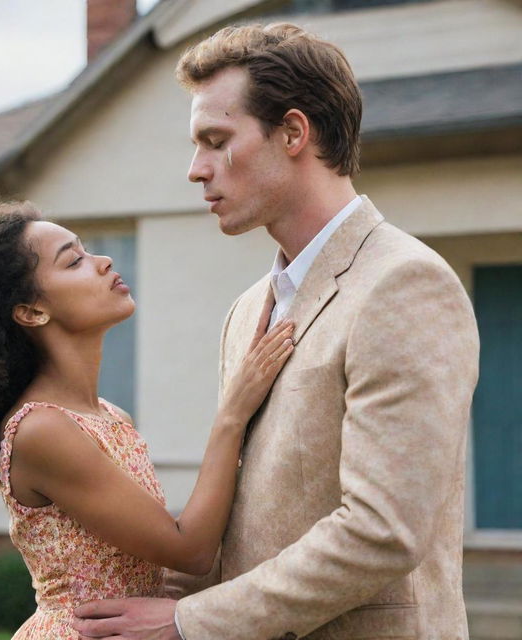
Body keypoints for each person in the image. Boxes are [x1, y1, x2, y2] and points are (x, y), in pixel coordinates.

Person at [72, 22, 480, 640]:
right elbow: (241, 525)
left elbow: (381, 531)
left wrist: (188, 622)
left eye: (216, 140)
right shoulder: (245, 312)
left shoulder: (404, 284)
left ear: (293, 132)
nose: (195, 170)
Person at [0, 201, 295, 639]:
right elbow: (189, 550)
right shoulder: (43, 430)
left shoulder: (111, 415)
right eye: (74, 261)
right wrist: (231, 415)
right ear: (33, 311)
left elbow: (162, 555)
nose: (104, 261)